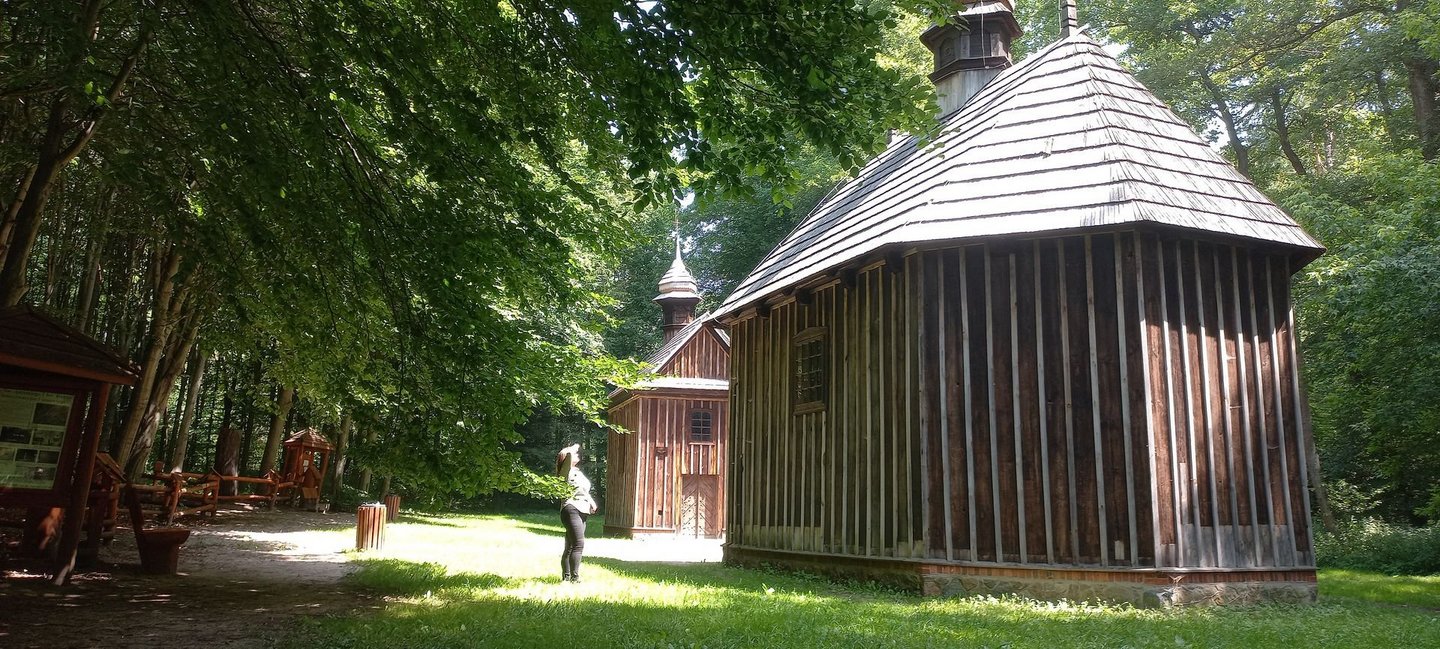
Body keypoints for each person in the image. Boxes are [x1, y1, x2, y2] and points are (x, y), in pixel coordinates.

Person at [556, 443, 597, 583]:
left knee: (570, 546)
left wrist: (592, 503)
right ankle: (575, 578)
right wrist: (572, 448)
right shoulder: (565, 472)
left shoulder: (578, 472)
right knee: (579, 544)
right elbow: (567, 458)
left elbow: (583, 491)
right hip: (571, 509)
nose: (577, 454)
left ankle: (566, 578)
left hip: (583, 510)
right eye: (574, 454)